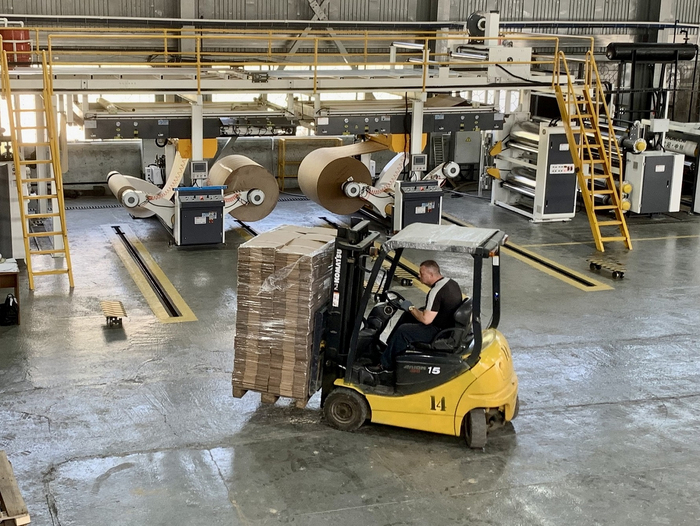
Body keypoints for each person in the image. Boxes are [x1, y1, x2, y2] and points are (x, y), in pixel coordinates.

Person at [366, 259, 463, 373]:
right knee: (408, 316)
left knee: (403, 331)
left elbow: (426, 320)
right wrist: (411, 311)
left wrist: (411, 308)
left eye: (422, 273)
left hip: (439, 331)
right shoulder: (451, 283)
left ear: (431, 274)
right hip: (446, 324)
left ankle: (385, 366)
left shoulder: (436, 291)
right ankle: (389, 350)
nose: (419, 275)